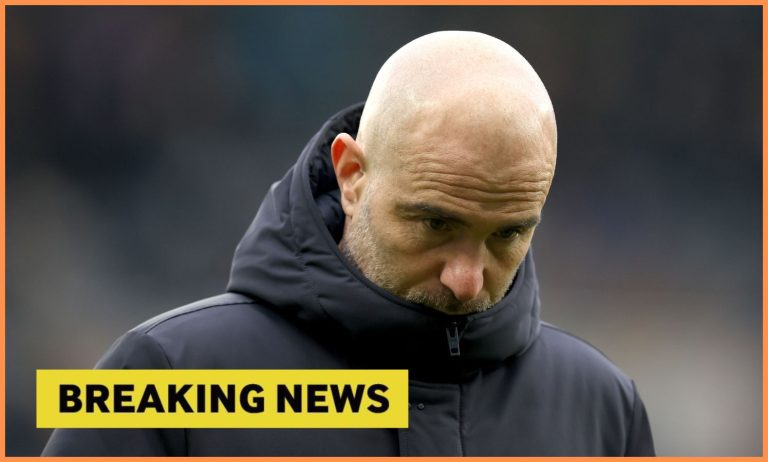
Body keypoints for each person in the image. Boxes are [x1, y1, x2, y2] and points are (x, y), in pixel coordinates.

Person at [42, 31, 655, 456]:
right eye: (434, 224)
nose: (467, 279)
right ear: (352, 176)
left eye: (508, 234)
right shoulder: (159, 379)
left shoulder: (603, 408)